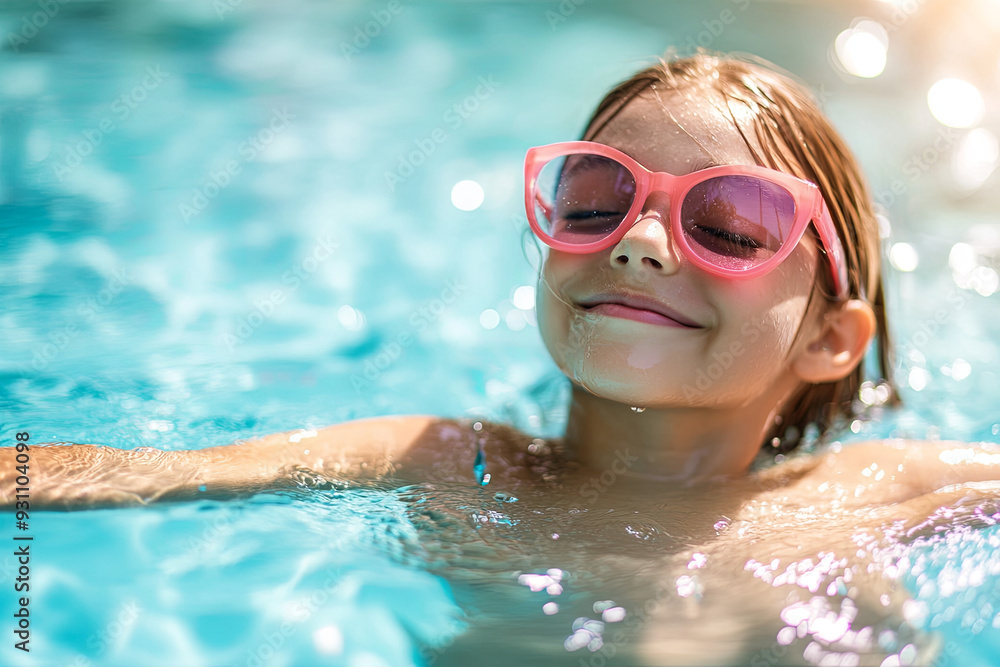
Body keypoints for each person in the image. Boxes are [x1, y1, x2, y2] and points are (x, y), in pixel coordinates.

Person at [3, 50, 998, 665]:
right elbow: (142, 474)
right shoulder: (444, 461)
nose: (639, 242)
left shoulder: (876, 495)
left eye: (731, 225)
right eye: (595, 198)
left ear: (832, 339)